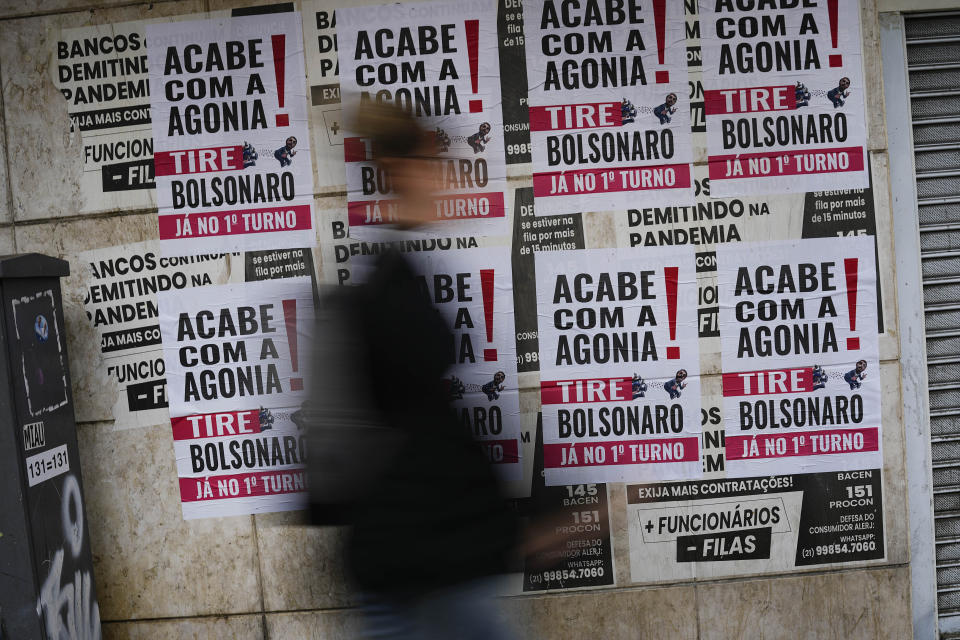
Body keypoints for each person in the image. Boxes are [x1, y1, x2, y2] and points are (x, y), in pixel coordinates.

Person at [302, 102, 519, 640]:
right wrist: (504, 528)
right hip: (423, 564)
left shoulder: (398, 277)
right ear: (405, 170)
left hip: (415, 560)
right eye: (432, 164)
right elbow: (423, 437)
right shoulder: (389, 293)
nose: (442, 182)